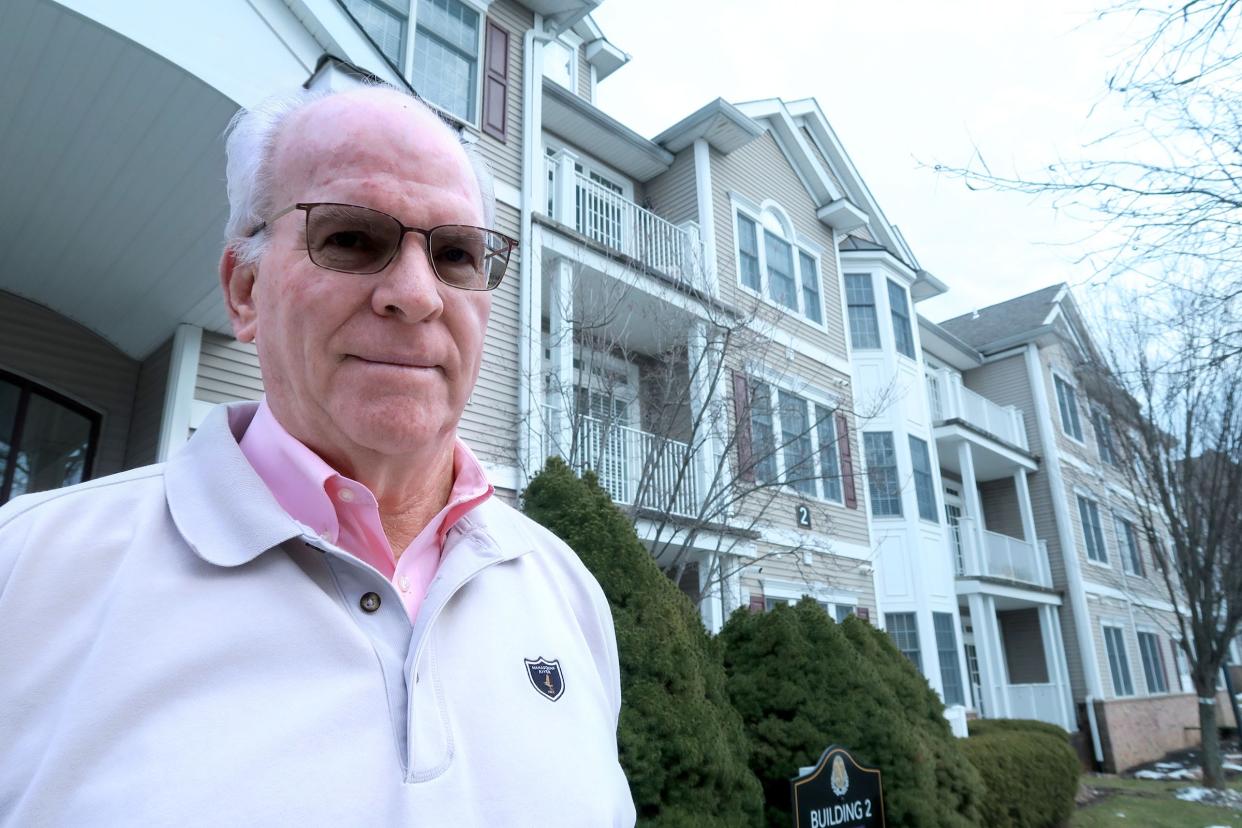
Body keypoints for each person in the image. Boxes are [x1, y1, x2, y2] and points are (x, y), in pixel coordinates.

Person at [0, 84, 635, 826]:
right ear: (244, 290)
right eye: (351, 239)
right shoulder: (28, 573)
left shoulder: (568, 593)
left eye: (456, 253)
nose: (416, 295)